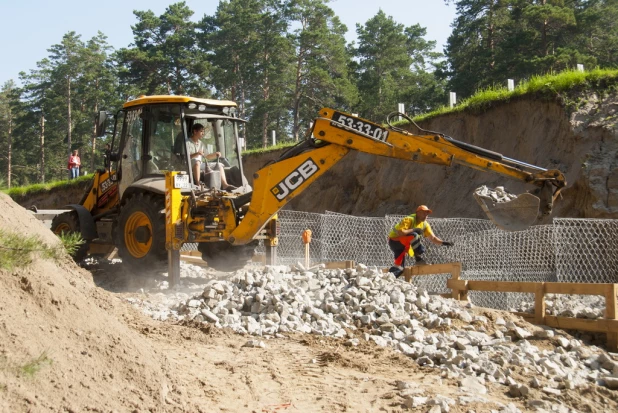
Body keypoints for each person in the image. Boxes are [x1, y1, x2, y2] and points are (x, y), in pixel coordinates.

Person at [387, 205, 453, 278]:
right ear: (418, 213)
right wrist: (414, 229)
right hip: (395, 241)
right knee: (414, 236)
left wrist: (443, 243)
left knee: (399, 268)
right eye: (424, 213)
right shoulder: (409, 219)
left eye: (427, 213)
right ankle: (418, 259)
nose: (426, 215)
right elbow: (400, 232)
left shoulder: (425, 224)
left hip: (403, 245)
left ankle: (387, 278)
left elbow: (433, 238)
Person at [187, 123, 236, 190]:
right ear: (195, 131)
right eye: (201, 131)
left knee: (219, 165)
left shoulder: (201, 143)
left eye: (203, 131)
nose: (203, 133)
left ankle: (225, 185)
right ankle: (198, 185)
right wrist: (197, 154)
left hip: (199, 164)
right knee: (197, 162)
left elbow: (207, 156)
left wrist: (215, 155)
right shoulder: (187, 142)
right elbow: (186, 157)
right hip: (189, 165)